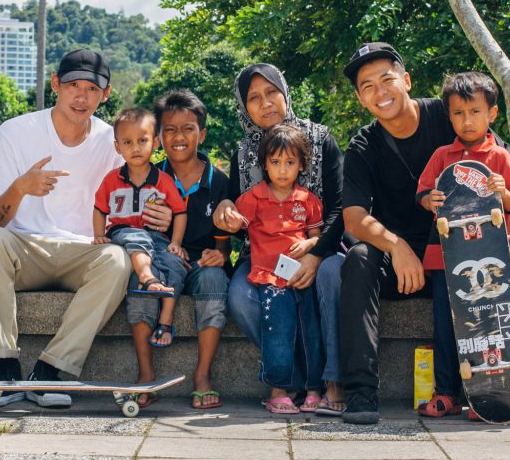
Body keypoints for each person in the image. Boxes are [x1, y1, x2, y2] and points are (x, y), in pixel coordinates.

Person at [338, 43, 510, 426]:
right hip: (407, 264)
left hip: (467, 250)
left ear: (405, 80)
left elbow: (498, 176)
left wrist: (499, 235)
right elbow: (354, 219)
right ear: (359, 98)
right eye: (367, 85)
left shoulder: (452, 110)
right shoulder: (363, 145)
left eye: (386, 79)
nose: (380, 91)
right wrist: (398, 246)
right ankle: (360, 392)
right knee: (357, 259)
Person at [0, 49, 172, 408]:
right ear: (55, 85)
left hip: (83, 251)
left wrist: (164, 218)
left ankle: (49, 372)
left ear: (105, 94)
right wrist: (20, 187)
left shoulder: (115, 142)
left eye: (92, 89)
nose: (81, 97)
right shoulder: (15, 133)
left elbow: (135, 206)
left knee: (116, 259)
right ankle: (5, 366)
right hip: (24, 249)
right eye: (72, 86)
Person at [415, 71, 510, 423]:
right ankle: (447, 392)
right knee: (447, 324)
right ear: (449, 116)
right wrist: (431, 199)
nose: (467, 120)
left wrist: (501, 190)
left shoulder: (500, 156)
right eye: (459, 113)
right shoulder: (442, 155)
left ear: (492, 114)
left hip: (492, 260)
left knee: (489, 324)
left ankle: (487, 394)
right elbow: (424, 195)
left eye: (475, 111)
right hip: (447, 257)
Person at [214, 63, 347, 415]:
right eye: (254, 98)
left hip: (320, 247)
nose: (265, 103)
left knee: (333, 276)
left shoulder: (320, 139)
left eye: (271, 92)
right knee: (241, 296)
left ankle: (333, 380)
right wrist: (226, 209)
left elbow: (340, 208)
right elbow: (235, 208)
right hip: (262, 257)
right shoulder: (244, 153)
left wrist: (315, 253)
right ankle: (294, 378)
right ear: (244, 107)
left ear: (285, 92)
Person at [126, 89, 232, 409]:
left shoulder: (220, 182)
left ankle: (202, 377)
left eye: (188, 129)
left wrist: (221, 254)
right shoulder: (147, 177)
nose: (179, 137)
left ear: (203, 133)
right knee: (139, 281)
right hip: (160, 257)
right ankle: (146, 375)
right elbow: (134, 231)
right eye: (169, 130)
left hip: (201, 261)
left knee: (214, 278)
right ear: (158, 137)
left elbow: (224, 240)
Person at [236, 124, 325, 414]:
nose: (283, 170)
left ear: (301, 165)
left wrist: (310, 247)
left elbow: (316, 237)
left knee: (311, 329)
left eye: (290, 163)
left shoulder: (308, 201)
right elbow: (232, 224)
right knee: (278, 329)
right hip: (270, 277)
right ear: (264, 164)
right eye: (275, 163)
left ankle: (314, 389)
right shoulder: (253, 198)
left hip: (302, 276)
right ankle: (278, 390)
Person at [94, 107, 188, 349]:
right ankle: (146, 276)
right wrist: (98, 235)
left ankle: (165, 320)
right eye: (127, 142)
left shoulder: (164, 181)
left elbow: (180, 212)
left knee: (176, 266)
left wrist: (175, 243)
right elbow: (100, 209)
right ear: (118, 147)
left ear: (155, 142)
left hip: (156, 237)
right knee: (136, 237)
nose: (135, 148)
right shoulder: (112, 179)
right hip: (122, 233)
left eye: (142, 140)